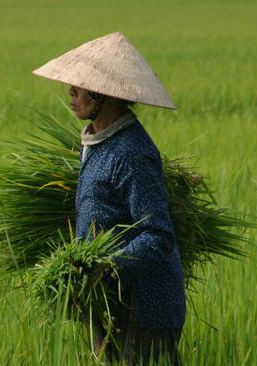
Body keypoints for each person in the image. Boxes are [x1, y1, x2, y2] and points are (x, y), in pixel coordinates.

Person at [32, 32, 186, 365]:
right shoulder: (96, 143)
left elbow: (158, 236)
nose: (70, 92)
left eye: (80, 86)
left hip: (145, 307)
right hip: (109, 300)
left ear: (103, 95)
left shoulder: (132, 153)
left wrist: (108, 265)